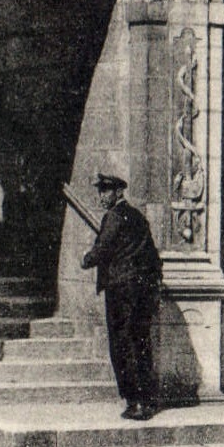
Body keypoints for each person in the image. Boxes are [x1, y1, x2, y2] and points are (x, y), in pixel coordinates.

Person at [80, 171, 162, 420]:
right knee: (141, 342)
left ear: (118, 192)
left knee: (122, 344)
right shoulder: (138, 217)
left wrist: (86, 259)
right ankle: (147, 399)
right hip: (143, 289)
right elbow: (152, 255)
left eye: (106, 191)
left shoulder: (114, 217)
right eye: (100, 191)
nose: (101, 196)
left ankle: (134, 401)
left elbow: (102, 249)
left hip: (121, 290)